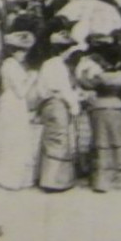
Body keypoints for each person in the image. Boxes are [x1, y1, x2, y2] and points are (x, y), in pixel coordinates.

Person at [75, 36, 121, 193]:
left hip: (98, 108)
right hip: (116, 107)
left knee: (100, 142)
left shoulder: (92, 71)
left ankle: (101, 180)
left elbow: (84, 82)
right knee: (119, 141)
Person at [34, 24, 82, 192]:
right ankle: (54, 180)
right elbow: (64, 90)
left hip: (47, 104)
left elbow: (40, 89)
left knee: (50, 138)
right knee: (59, 139)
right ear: (65, 50)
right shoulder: (59, 67)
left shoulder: (47, 64)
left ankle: (44, 176)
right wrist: (74, 106)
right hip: (58, 104)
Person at [0, 31, 42, 190]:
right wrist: (32, 78)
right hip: (13, 103)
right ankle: (10, 179)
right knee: (15, 139)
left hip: (15, 103)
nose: (24, 54)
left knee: (18, 139)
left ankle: (18, 177)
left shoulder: (13, 64)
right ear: (14, 51)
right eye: (21, 50)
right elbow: (21, 92)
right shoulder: (10, 65)